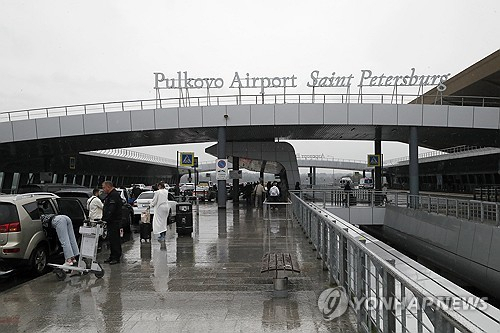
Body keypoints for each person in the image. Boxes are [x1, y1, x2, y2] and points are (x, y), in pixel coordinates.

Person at [102, 181, 123, 265]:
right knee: (111, 240)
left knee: (115, 240)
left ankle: (116, 257)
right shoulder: (110, 195)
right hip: (111, 222)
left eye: (104, 187)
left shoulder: (114, 195)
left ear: (108, 187)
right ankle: (112, 255)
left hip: (114, 221)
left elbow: (111, 209)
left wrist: (106, 218)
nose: (103, 190)